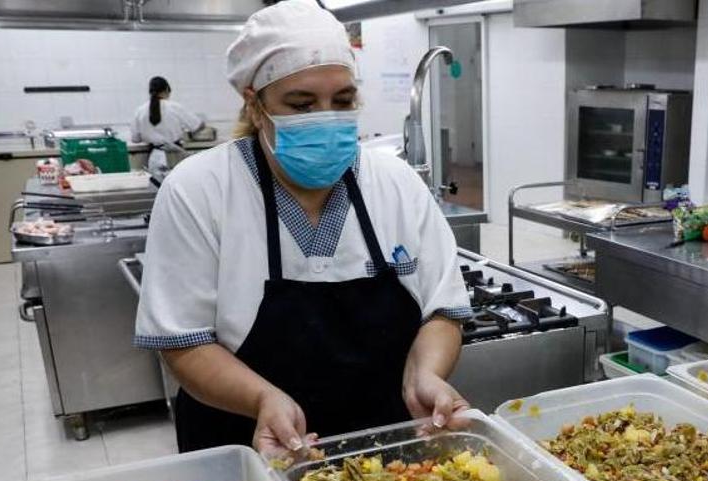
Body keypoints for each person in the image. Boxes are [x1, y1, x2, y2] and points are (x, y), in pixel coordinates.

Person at [133, 0, 473, 457]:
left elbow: (443, 309)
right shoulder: (199, 190)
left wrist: (425, 373)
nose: (326, 117)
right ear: (255, 105)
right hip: (248, 446)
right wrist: (262, 398)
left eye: (343, 100)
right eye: (302, 103)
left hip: (385, 454)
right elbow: (182, 342)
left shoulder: (395, 184)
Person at [131, 76, 203, 182]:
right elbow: (197, 125)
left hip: (155, 157)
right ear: (167, 90)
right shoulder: (174, 107)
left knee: (159, 192)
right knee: (179, 191)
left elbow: (135, 139)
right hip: (174, 155)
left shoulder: (140, 110)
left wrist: (152, 134)